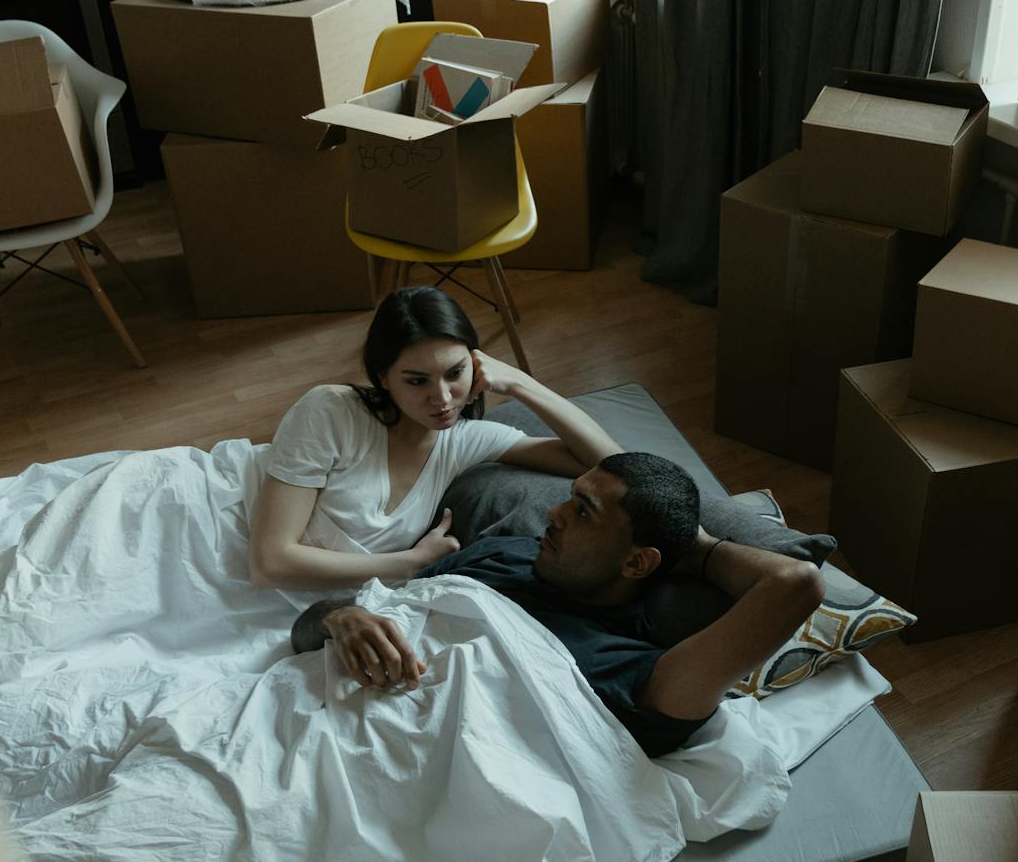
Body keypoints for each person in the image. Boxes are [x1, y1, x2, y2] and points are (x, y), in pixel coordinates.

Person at [290, 452, 826, 758]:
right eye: (570, 497)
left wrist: (700, 547)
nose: (553, 513)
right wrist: (345, 618)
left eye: (583, 511)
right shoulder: (503, 554)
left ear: (638, 563)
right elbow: (306, 631)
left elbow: (797, 583)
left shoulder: (635, 671)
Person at [249, 286, 622, 591]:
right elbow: (270, 562)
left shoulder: (465, 442)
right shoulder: (331, 411)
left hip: (311, 599)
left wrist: (521, 383)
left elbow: (616, 468)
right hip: (224, 543)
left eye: (454, 372)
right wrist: (410, 563)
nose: (442, 398)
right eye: (417, 380)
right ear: (383, 377)